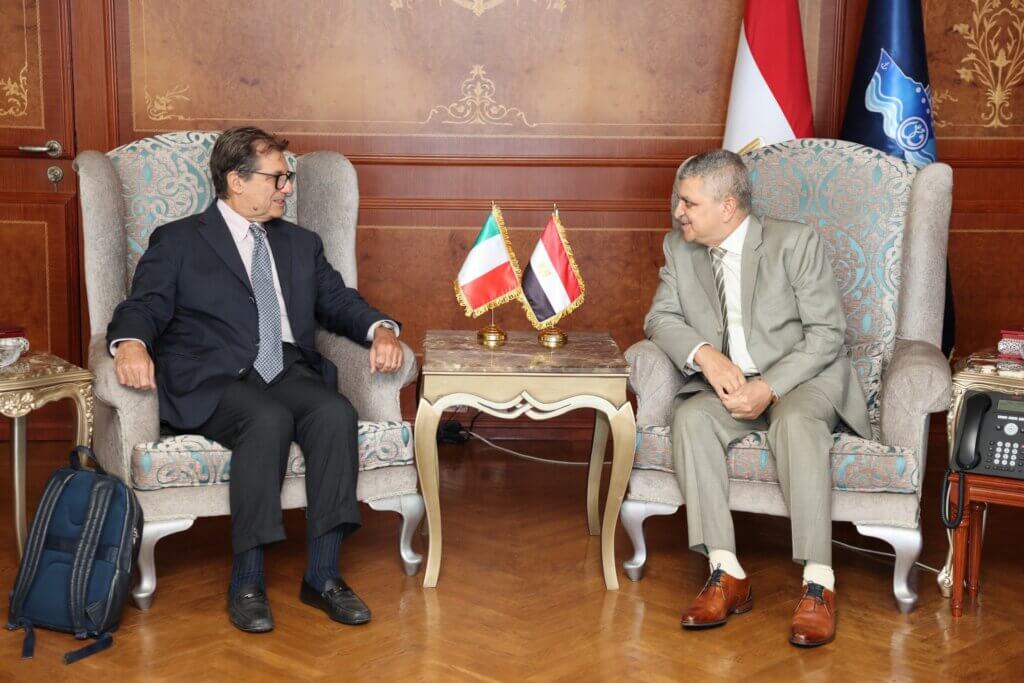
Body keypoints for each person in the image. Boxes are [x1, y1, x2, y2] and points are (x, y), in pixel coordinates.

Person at [107, 126, 404, 633]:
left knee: (335, 413)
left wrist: (381, 329)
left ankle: (324, 576)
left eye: (288, 178)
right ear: (236, 180)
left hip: (285, 367)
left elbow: (338, 301)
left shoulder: (301, 244)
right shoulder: (179, 240)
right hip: (212, 374)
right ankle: (247, 581)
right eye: (277, 178)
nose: (287, 188)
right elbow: (145, 305)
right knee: (266, 420)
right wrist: (131, 342)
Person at [644, 149, 870, 647]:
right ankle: (726, 572)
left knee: (795, 423)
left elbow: (827, 333)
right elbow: (660, 318)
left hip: (803, 380)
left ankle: (819, 584)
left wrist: (769, 387)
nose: (678, 213)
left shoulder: (795, 242)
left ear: (727, 206)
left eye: (688, 203)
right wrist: (706, 356)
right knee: (691, 417)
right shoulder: (679, 248)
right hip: (730, 384)